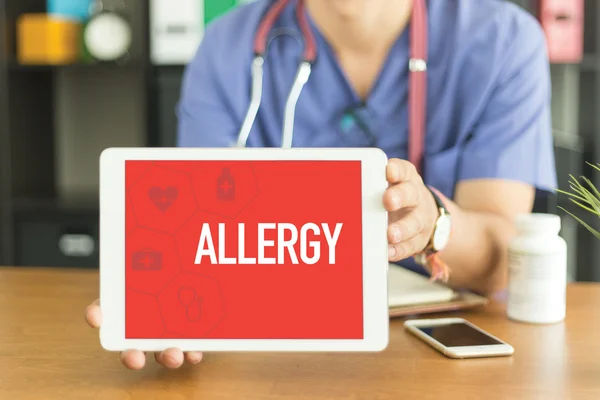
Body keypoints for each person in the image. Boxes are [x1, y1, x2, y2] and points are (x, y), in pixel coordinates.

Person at [86, 0, 557, 369]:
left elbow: (504, 256)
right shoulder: (227, 46)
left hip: (427, 350)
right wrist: (158, 295)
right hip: (266, 347)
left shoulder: (501, 39)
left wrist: (432, 224)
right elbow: (196, 235)